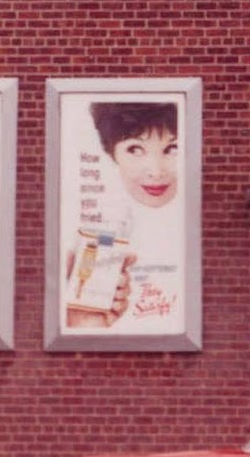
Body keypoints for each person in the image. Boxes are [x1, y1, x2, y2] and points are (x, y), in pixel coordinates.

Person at [65, 101, 181, 329]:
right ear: (112, 153)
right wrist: (82, 321)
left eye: (172, 148)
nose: (156, 171)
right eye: (135, 149)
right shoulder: (99, 220)